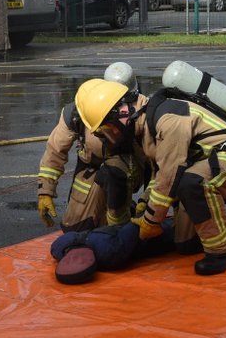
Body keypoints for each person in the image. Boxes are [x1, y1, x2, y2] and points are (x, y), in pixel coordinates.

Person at [75, 79, 226, 276]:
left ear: (123, 111)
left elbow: (170, 175)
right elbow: (159, 173)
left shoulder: (168, 119)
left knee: (192, 184)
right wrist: (145, 203)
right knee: (187, 242)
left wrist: (151, 221)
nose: (113, 138)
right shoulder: (146, 126)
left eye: (110, 130)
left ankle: (223, 253)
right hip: (201, 165)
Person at [37, 64, 148, 232]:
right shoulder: (78, 111)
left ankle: (120, 223)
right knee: (76, 228)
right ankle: (116, 209)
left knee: (113, 175)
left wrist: (149, 202)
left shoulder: (142, 111)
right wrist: (45, 190)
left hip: (128, 168)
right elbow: (55, 150)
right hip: (93, 167)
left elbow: (160, 160)